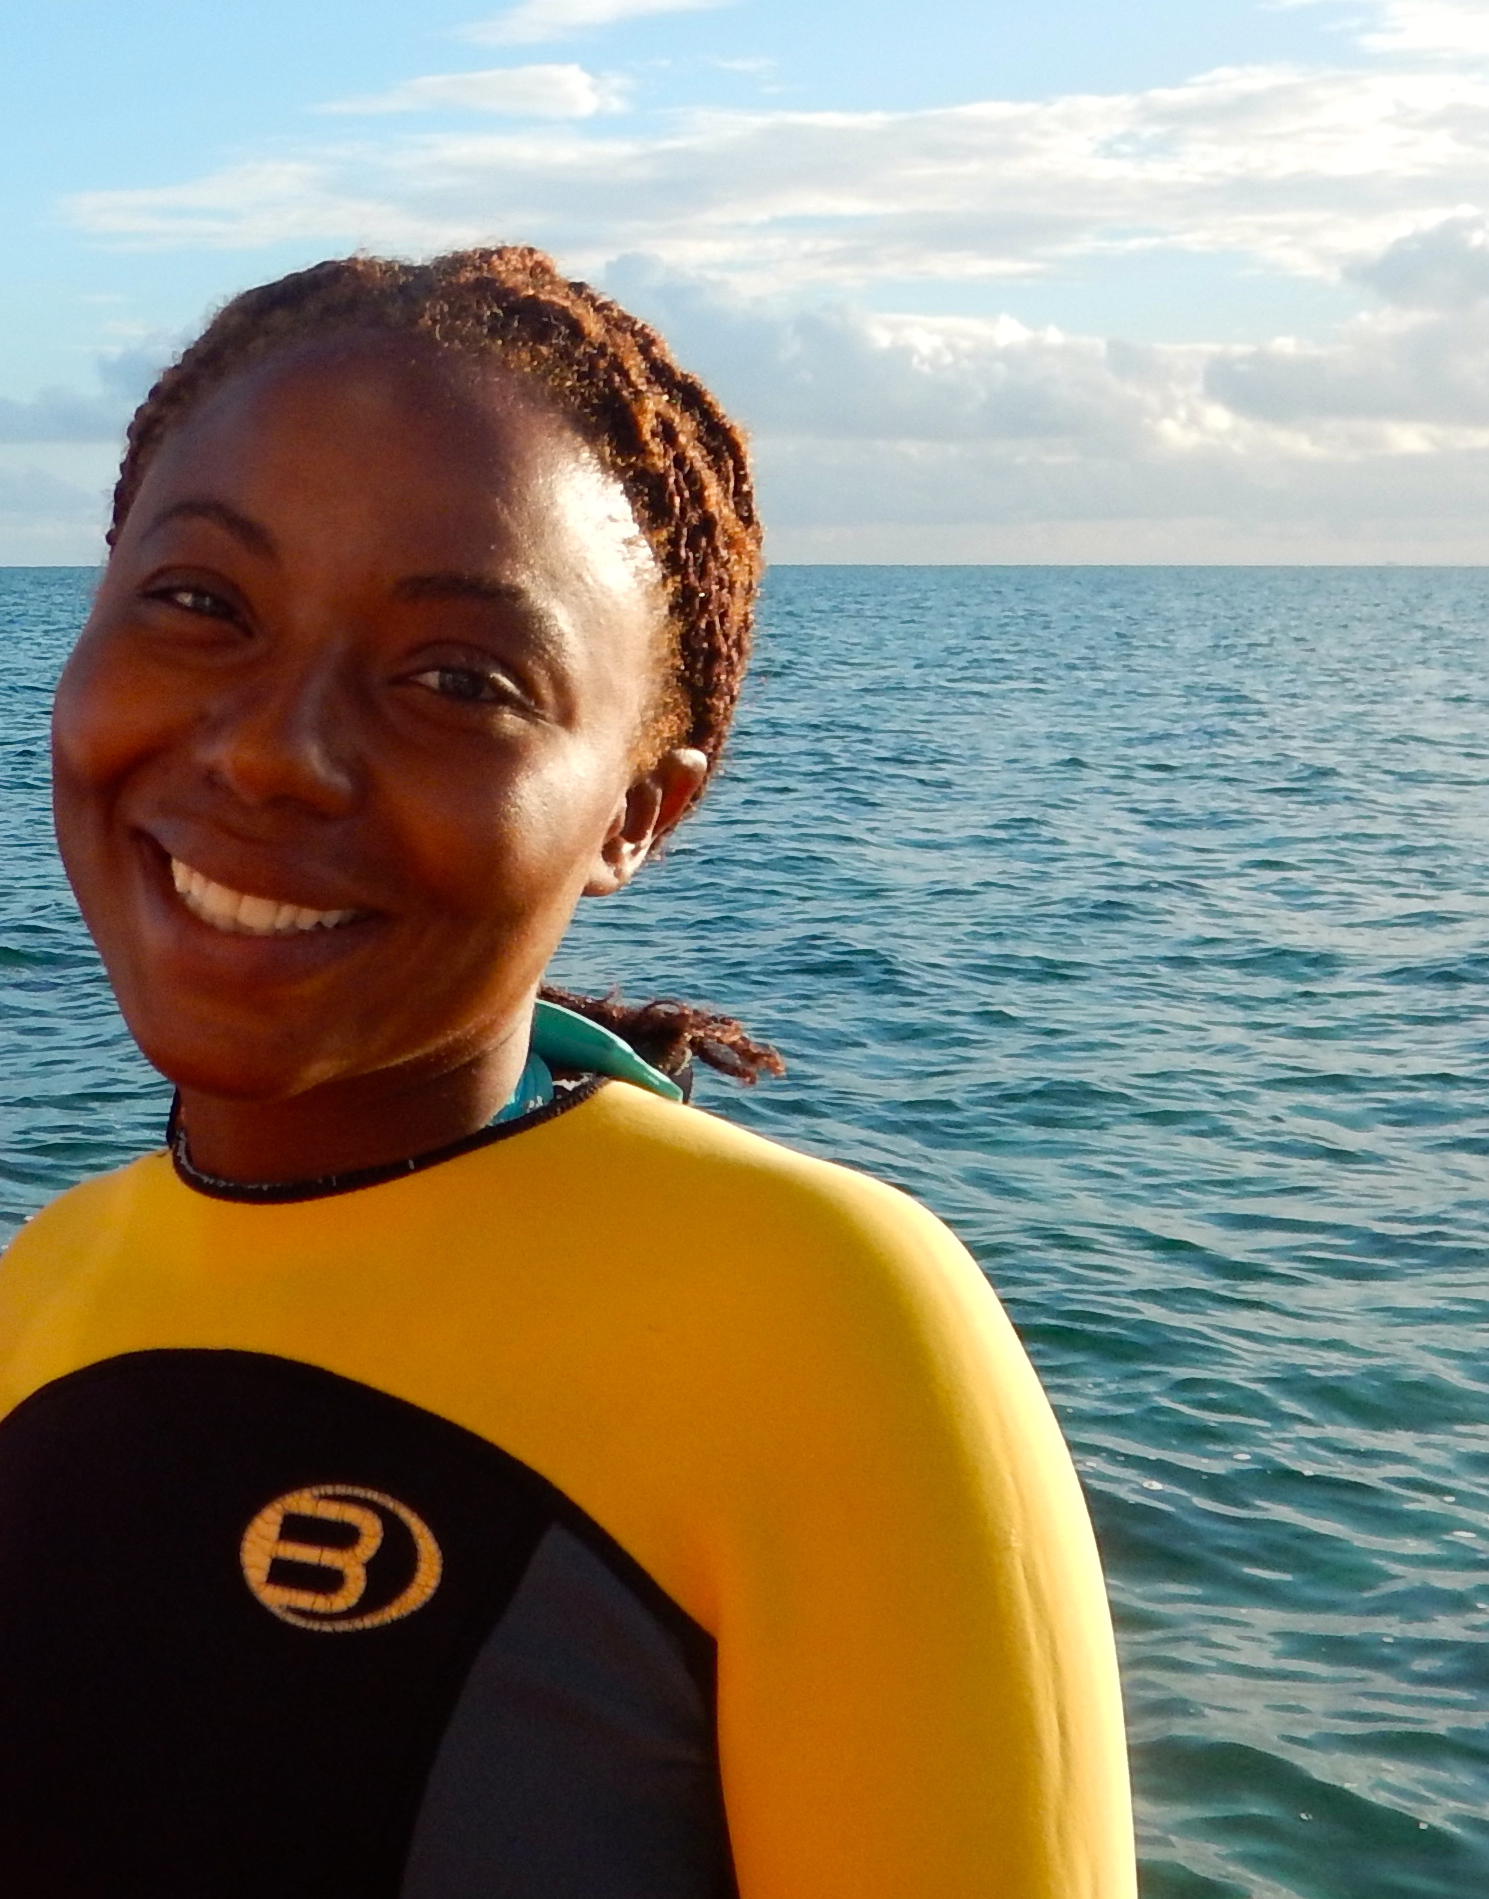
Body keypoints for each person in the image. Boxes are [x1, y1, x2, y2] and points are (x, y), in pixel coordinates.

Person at [0, 248, 1136, 1898]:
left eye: (459, 681)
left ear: (635, 815)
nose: (264, 747)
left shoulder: (824, 1321)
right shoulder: (51, 1283)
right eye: (200, 604)